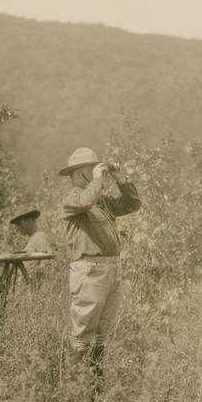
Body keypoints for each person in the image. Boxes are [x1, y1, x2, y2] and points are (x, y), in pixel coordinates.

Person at [59, 147, 141, 383]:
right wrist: (96, 179)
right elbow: (86, 201)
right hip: (89, 270)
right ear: (77, 174)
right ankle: (74, 389)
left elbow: (132, 204)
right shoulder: (73, 198)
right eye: (89, 169)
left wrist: (120, 178)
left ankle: (94, 387)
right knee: (83, 335)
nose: (97, 174)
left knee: (101, 336)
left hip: (111, 269)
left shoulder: (102, 201)